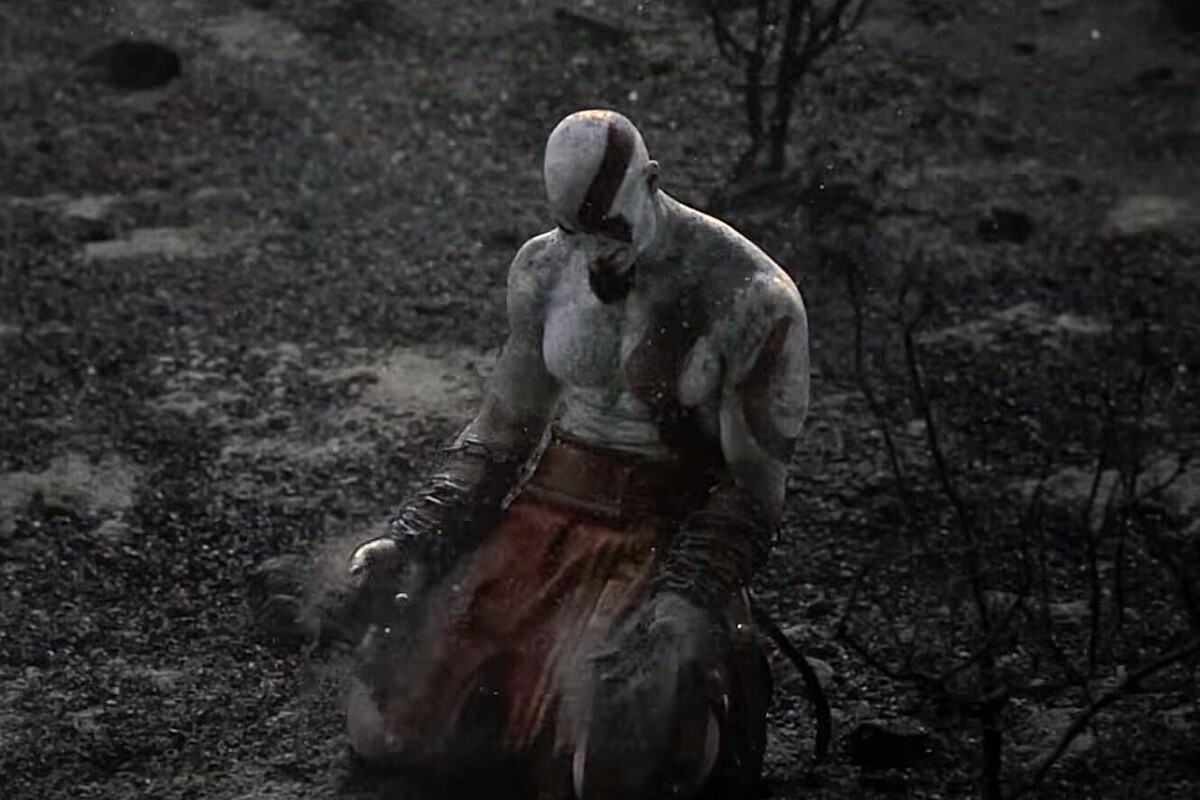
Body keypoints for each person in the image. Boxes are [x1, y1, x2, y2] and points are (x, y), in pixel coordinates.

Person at [346, 108, 810, 800]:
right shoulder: (543, 268)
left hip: (663, 538)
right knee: (383, 727)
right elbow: (501, 430)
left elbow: (755, 491)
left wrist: (681, 603)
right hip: (544, 524)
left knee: (611, 766)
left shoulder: (751, 300)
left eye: (612, 230)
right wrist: (416, 535)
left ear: (651, 183)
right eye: (576, 232)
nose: (596, 253)